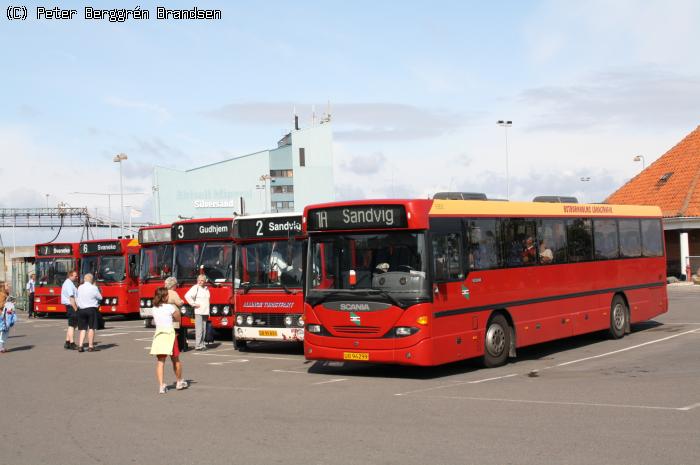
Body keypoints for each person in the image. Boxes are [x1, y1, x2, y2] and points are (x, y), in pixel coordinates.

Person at [149, 287, 187, 394]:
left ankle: (161, 385)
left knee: (160, 362)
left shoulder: (154, 308)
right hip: (170, 334)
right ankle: (179, 381)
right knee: (175, 360)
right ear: (164, 296)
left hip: (159, 334)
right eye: (167, 295)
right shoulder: (170, 307)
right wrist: (177, 322)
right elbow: (178, 317)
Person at [76, 273, 101, 352]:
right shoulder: (94, 288)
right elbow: (100, 297)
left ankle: (80, 345)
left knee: (83, 328)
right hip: (91, 309)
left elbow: (77, 297)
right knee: (91, 328)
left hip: (81, 309)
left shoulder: (80, 287)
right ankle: (90, 346)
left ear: (84, 279)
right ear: (92, 280)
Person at [185, 274, 210, 351]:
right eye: (199, 280)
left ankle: (202, 344)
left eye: (202, 280)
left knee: (204, 329)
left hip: (205, 311)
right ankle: (198, 345)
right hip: (198, 311)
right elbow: (187, 296)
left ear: (205, 281)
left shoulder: (206, 289)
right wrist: (193, 304)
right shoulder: (195, 287)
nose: (200, 282)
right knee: (199, 329)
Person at [164, 276, 187, 352]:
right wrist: (182, 301)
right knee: (176, 330)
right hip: (174, 314)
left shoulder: (164, 292)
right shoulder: (173, 293)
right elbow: (179, 303)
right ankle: (178, 347)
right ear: (173, 285)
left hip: (165, 314)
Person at [61, 271, 79, 350]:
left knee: (72, 325)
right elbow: (71, 298)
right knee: (72, 325)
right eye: (75, 276)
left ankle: (67, 342)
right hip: (71, 306)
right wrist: (76, 309)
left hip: (70, 306)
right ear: (70, 276)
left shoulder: (69, 283)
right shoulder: (68, 284)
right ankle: (72, 343)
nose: (77, 277)